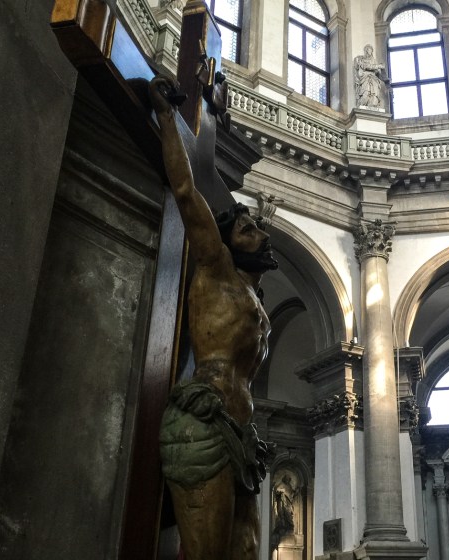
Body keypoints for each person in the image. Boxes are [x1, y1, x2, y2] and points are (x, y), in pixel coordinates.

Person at [149, 75, 276, 560]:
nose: (260, 233)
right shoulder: (215, 266)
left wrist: (216, 121)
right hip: (204, 420)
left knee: (246, 551)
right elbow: (187, 190)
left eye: (258, 227)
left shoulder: (255, 298)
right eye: (247, 229)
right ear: (225, 242)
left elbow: (209, 171)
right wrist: (166, 115)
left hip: (242, 434)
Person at [354, 44, 389, 109]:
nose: (368, 52)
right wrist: (379, 66)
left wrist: (385, 79)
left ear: (371, 51)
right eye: (366, 50)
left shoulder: (374, 61)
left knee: (374, 95)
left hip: (374, 79)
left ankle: (372, 105)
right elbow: (365, 66)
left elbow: (377, 73)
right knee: (365, 93)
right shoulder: (361, 59)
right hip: (365, 78)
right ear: (365, 51)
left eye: (369, 50)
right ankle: (363, 105)